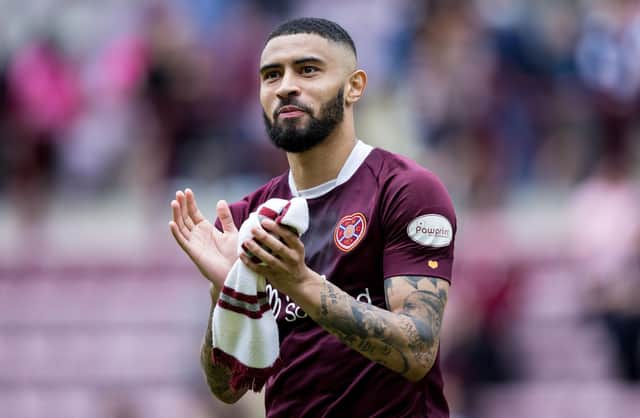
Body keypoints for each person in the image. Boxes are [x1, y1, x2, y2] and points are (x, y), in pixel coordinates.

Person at [169, 17, 457, 417]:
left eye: (307, 70)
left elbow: (418, 348)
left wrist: (300, 282)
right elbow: (228, 388)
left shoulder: (404, 190)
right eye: (272, 75)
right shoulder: (247, 219)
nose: (286, 86)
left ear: (354, 86)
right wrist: (227, 296)